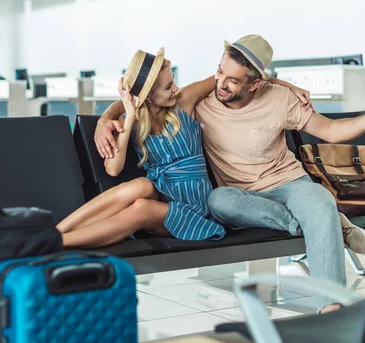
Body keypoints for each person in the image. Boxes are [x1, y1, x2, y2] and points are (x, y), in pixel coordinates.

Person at [95, 35, 365, 314]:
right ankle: (328, 223)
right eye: (220, 71)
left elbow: (327, 129)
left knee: (317, 200)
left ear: (256, 83)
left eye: (233, 80)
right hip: (240, 199)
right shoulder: (201, 101)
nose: (221, 83)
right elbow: (144, 97)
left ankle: (330, 309)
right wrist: (105, 119)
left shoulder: (280, 98)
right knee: (218, 200)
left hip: (290, 184)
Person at [58, 47, 310, 247]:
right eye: (168, 86)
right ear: (148, 95)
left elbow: (244, 78)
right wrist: (128, 114)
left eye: (173, 81)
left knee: (142, 206)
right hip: (164, 196)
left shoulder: (184, 101)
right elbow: (113, 169)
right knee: (140, 187)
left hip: (196, 207)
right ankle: (56, 232)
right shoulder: (132, 122)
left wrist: (289, 86)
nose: (175, 88)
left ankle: (58, 242)